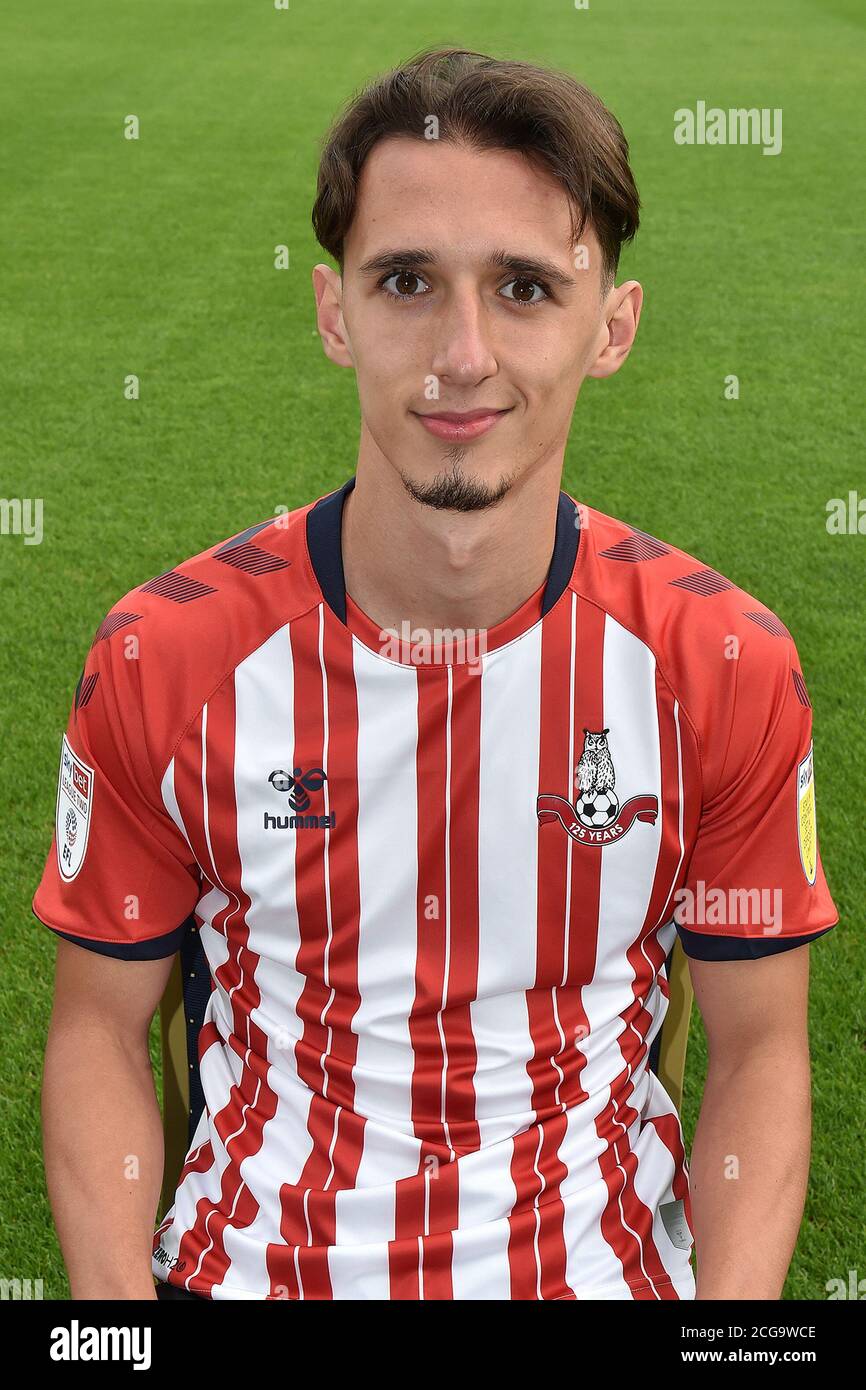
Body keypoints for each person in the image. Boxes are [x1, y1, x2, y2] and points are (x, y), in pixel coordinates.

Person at [33, 46, 838, 1301]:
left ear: (609, 328)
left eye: (523, 287)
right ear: (332, 311)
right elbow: (97, 1027)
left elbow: (754, 1050)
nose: (460, 354)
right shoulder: (168, 655)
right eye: (406, 280)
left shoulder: (719, 665)